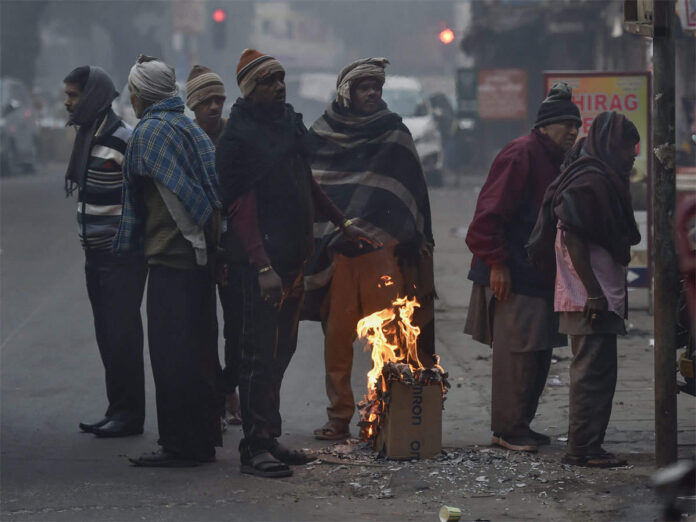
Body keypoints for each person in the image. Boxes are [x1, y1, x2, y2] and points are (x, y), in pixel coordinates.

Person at [215, 49, 376, 478]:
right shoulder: (240, 138)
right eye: (269, 81)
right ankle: (253, 449)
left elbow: (306, 185)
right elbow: (241, 208)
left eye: (281, 78)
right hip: (259, 268)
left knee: (281, 353)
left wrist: (343, 224)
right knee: (256, 357)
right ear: (250, 89)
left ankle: (268, 436)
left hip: (292, 261)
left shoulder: (287, 125)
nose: (279, 86)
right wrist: (262, 266)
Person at [303, 58, 435, 441]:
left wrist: (413, 244)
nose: (373, 94)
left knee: (395, 335)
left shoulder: (394, 131)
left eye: (377, 87)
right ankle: (339, 416)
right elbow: (309, 187)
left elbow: (413, 191)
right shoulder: (321, 133)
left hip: (384, 252)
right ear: (347, 92)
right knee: (339, 340)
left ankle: (394, 416)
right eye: (364, 87)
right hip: (339, 255)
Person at [114, 54, 222, 467]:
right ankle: (200, 438)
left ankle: (181, 445)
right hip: (195, 262)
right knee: (195, 354)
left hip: (173, 259)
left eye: (133, 92)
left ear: (143, 95)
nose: (131, 99)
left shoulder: (150, 132)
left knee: (170, 357)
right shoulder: (186, 127)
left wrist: (191, 241)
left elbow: (174, 198)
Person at [464, 83, 581, 453]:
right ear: (545, 126)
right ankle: (506, 429)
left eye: (576, 125)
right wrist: (497, 263)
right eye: (566, 125)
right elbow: (487, 217)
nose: (573, 132)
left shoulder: (557, 157)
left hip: (539, 274)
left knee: (539, 353)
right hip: (510, 271)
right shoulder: (522, 153)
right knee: (516, 356)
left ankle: (522, 425)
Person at [530, 111, 640, 467]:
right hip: (589, 298)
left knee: (598, 373)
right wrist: (593, 292)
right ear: (612, 145)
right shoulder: (590, 181)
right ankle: (583, 449)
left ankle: (589, 446)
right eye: (628, 146)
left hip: (596, 295)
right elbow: (573, 236)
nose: (633, 154)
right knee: (592, 375)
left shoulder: (597, 176)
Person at [63, 66, 147, 438]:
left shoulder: (122, 139)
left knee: (122, 333)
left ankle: (129, 414)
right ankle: (117, 408)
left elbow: (144, 195)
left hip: (120, 255)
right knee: (105, 333)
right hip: (94, 255)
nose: (67, 102)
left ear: (93, 97)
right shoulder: (89, 137)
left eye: (73, 95)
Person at [185, 64, 241, 426]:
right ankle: (214, 397)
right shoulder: (186, 138)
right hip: (197, 246)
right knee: (201, 326)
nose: (214, 106)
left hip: (235, 246)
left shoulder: (234, 137)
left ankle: (228, 388)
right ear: (193, 104)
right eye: (207, 100)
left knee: (236, 327)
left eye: (219, 98)